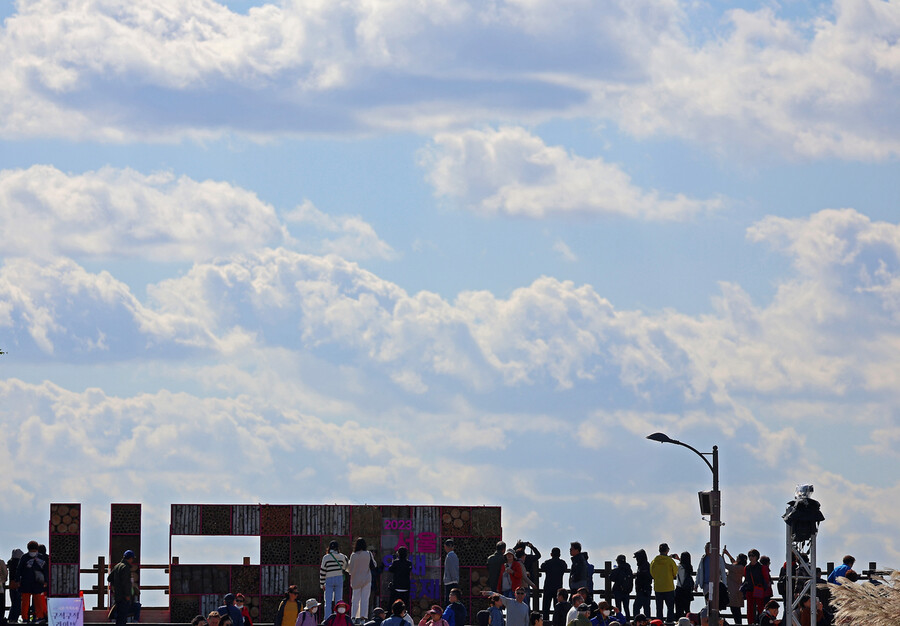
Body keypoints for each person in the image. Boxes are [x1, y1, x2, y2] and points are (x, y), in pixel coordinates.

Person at [349, 538, 375, 623]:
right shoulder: (368, 554)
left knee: (355, 600)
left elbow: (350, 569)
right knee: (365, 599)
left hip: (356, 580)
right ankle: (363, 618)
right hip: (366, 579)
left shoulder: (353, 555)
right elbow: (374, 565)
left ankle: (353, 617)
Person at [649, 544, 677, 622]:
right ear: (667, 551)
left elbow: (652, 572)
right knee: (670, 607)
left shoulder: (654, 561)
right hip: (668, 586)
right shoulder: (670, 561)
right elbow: (675, 572)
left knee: (659, 607)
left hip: (658, 587)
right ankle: (669, 621)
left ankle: (659, 621)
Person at [321, 541, 350, 617]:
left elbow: (322, 571)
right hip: (339, 578)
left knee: (328, 601)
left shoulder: (326, 557)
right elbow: (345, 567)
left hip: (329, 578)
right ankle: (339, 617)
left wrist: (322, 584)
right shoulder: (342, 556)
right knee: (338, 600)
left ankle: (327, 618)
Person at [108, 549, 136, 626]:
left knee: (119, 618)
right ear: (130, 558)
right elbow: (125, 583)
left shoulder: (117, 566)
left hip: (117, 596)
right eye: (132, 558)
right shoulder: (125, 568)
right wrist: (127, 595)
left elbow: (109, 578)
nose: (132, 560)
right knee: (122, 618)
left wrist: (115, 585)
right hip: (124, 597)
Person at [540, 551, 568, 621]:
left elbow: (542, 566)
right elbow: (565, 567)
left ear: (551, 554)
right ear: (560, 555)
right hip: (558, 588)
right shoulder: (562, 563)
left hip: (548, 587)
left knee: (546, 608)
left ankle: (546, 623)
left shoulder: (548, 562)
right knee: (558, 607)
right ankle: (557, 622)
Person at [723, 548, 747, 626]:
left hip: (733, 591)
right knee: (736, 610)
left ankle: (738, 624)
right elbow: (733, 562)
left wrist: (721, 557)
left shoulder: (738, 568)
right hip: (737, 591)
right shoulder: (741, 567)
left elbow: (725, 565)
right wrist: (727, 554)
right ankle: (738, 624)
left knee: (735, 610)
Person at [515, 542, 542, 610]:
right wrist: (532, 547)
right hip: (526, 582)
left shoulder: (514, 559)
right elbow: (538, 555)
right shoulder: (528, 557)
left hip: (516, 583)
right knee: (526, 603)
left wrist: (516, 546)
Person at [743, 550, 766, 625]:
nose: (751, 557)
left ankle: (761, 622)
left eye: (752, 555)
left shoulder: (761, 567)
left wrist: (763, 588)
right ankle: (750, 623)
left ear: (757, 557)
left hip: (758, 589)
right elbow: (746, 579)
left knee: (760, 608)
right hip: (750, 589)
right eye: (749, 555)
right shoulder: (747, 568)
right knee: (750, 609)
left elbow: (764, 579)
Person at [607, 555, 633, 620]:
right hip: (626, 591)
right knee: (626, 608)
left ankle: (619, 621)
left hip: (618, 591)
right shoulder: (629, 569)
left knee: (618, 608)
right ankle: (628, 621)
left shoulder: (617, 570)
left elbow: (611, 578)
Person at [632, 550, 652, 621]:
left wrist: (637, 575)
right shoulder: (645, 565)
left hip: (643, 590)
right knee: (646, 607)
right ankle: (647, 622)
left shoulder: (644, 566)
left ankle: (637, 622)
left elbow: (645, 577)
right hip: (645, 590)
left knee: (636, 607)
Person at [675, 552, 694, 619]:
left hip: (680, 590)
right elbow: (685, 563)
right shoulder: (689, 567)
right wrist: (679, 559)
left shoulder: (679, 567)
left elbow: (674, 569)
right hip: (687, 590)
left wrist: (671, 558)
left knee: (679, 611)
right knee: (687, 610)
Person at [7, 549, 23, 625]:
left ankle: (11, 618)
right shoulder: (19, 563)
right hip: (18, 584)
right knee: (18, 603)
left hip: (11, 584)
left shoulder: (10, 563)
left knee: (13, 602)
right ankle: (14, 618)